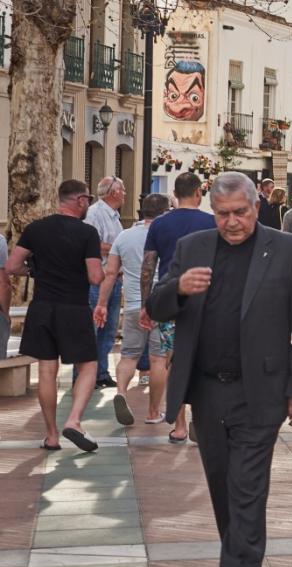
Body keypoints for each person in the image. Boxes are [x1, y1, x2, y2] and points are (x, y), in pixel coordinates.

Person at [147, 172, 292, 567]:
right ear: (212, 212)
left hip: (260, 391)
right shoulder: (194, 247)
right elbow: (156, 304)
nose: (232, 222)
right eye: (223, 214)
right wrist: (180, 289)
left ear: (256, 208)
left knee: (246, 486)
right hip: (206, 390)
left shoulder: (288, 250)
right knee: (223, 486)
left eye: (240, 212)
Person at [6, 180, 107, 451]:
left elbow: (12, 266)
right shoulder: (87, 233)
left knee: (47, 370)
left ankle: (51, 436)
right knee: (88, 366)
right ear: (81, 201)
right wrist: (109, 271)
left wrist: (35, 272)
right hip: (73, 308)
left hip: (41, 308)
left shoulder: (35, 229)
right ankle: (73, 421)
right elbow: (95, 277)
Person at [143, 171, 216, 443]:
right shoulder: (211, 222)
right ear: (198, 193)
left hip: (170, 299)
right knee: (205, 359)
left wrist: (146, 304)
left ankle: (180, 425)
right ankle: (200, 420)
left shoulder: (159, 225)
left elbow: (148, 266)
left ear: (175, 193)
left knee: (173, 360)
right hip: (206, 300)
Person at [97, 194, 170, 430]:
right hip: (162, 305)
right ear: (165, 212)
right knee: (159, 359)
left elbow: (110, 273)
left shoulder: (124, 236)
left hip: (132, 306)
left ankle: (121, 392)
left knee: (129, 355)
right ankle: (153, 411)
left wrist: (101, 304)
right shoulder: (167, 234)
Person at [83, 175, 126, 388]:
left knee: (109, 329)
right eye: (123, 189)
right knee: (92, 328)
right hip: (98, 280)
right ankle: (84, 376)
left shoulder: (114, 216)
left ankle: (101, 373)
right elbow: (91, 243)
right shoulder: (95, 213)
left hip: (115, 279)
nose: (125, 193)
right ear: (113, 192)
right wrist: (118, 249)